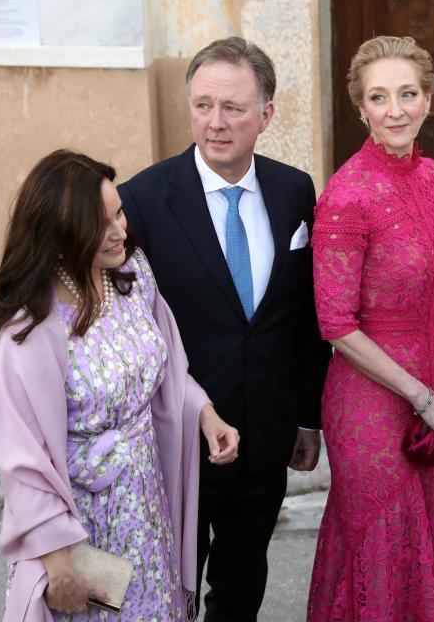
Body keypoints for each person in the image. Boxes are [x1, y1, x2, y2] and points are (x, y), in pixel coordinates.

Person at [117, 37, 332, 621]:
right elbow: (125, 326)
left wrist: (307, 417)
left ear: (266, 114)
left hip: (265, 433)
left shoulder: (295, 191)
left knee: (242, 587)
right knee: (172, 585)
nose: (215, 123)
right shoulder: (140, 201)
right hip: (177, 438)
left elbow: (304, 318)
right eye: (203, 105)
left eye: (233, 108)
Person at [0, 150, 239, 620]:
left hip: (148, 503)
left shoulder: (132, 276)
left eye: (118, 212)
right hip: (81, 526)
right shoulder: (31, 328)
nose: (119, 231)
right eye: (99, 224)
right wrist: (58, 565)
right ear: (59, 235)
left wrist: (205, 412)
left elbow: (166, 371)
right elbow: (22, 460)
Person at [307, 35, 434, 622]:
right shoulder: (346, 196)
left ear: (428, 99)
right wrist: (422, 396)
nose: (396, 109)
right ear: (362, 109)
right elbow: (335, 324)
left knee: (424, 543)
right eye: (380, 98)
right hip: (371, 401)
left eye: (408, 93)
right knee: (383, 544)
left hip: (432, 383)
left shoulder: (432, 176)